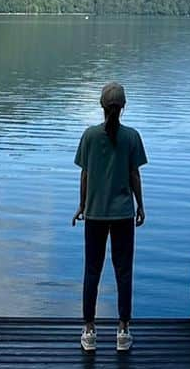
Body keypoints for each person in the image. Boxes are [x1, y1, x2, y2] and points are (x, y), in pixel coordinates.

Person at [72, 81, 147, 353]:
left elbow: (85, 174)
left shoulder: (89, 136)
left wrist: (81, 205)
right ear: (123, 107)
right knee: (123, 271)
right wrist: (140, 206)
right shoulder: (131, 137)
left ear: (102, 106)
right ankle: (123, 330)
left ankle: (90, 331)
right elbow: (134, 175)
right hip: (123, 215)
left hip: (95, 215)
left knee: (92, 271)